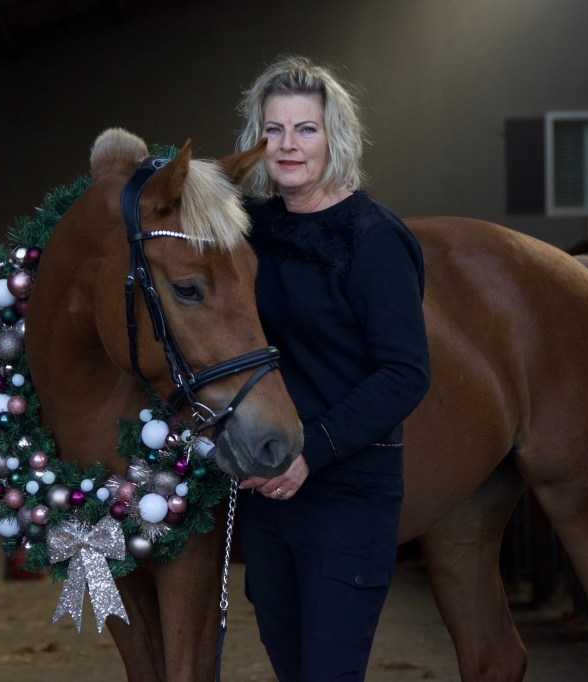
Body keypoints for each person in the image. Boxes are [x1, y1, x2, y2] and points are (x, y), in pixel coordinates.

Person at [234, 54, 431, 681]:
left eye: (306, 129)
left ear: (334, 138)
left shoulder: (373, 237)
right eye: (273, 129)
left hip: (347, 493)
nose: (287, 145)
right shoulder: (248, 231)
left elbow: (405, 372)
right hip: (268, 495)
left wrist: (310, 452)